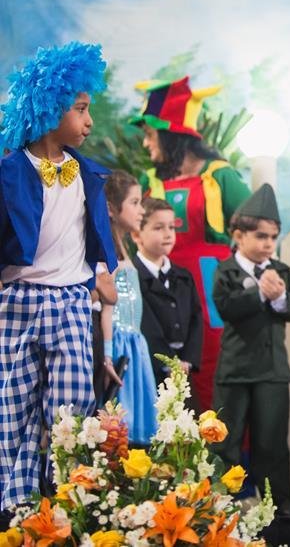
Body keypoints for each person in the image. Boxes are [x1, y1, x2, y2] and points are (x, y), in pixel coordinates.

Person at [0, 42, 117, 509]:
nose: (89, 121)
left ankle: (74, 499)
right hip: (19, 299)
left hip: (70, 300)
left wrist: (101, 274)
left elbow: (94, 235)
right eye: (80, 109)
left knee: (72, 406)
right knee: (14, 408)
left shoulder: (86, 174)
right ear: (49, 108)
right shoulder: (9, 172)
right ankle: (17, 508)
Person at [132, 77, 251, 409]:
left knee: (215, 368)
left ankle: (221, 442)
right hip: (160, 290)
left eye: (150, 134)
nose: (145, 143)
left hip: (212, 290)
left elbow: (256, 228)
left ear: (170, 134)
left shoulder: (220, 175)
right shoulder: (148, 181)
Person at [211, 184, 290, 517]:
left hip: (272, 371)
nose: (268, 243)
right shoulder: (226, 270)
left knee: (272, 443)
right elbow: (226, 307)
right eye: (261, 236)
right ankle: (221, 508)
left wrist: (280, 297)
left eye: (273, 237)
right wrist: (260, 294)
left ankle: (279, 509)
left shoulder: (281, 272)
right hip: (235, 371)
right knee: (227, 442)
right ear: (239, 236)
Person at [97, 171, 159, 443]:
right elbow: (107, 306)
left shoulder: (123, 246)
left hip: (134, 342)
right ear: (111, 209)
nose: (141, 210)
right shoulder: (106, 249)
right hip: (118, 343)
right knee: (120, 426)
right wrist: (108, 354)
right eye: (134, 202)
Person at [132, 197, 204, 413]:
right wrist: (169, 362)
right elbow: (146, 325)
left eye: (171, 227)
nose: (168, 234)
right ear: (136, 235)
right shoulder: (132, 276)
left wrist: (187, 361)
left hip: (182, 370)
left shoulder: (183, 276)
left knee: (187, 425)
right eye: (158, 227)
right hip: (149, 369)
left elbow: (196, 319)